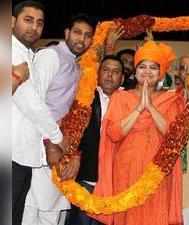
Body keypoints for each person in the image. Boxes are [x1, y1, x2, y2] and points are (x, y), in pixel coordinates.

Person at [92, 40, 184, 225]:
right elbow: (114, 134)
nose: (147, 71)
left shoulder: (171, 99)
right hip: (126, 170)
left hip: (157, 172)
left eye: (153, 67)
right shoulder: (121, 97)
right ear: (135, 70)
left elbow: (174, 135)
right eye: (142, 66)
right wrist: (138, 109)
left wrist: (150, 107)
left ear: (161, 73)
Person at [21, 14, 96, 225]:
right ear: (66, 33)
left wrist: (70, 150)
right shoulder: (51, 56)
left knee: (51, 211)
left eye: (88, 36)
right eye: (77, 33)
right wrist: (50, 142)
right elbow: (36, 101)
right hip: (42, 146)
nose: (82, 39)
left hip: (60, 147)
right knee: (34, 209)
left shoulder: (75, 64)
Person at [12, 1, 64, 225]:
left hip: (22, 153)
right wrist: (57, 137)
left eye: (39, 23)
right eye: (28, 20)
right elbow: (30, 102)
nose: (34, 27)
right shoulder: (12, 51)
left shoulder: (28, 55)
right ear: (12, 21)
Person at [64, 55, 124, 225]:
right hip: (88, 175)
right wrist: (75, 154)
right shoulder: (83, 97)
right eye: (105, 70)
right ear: (98, 74)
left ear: (123, 78)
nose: (110, 75)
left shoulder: (129, 101)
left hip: (116, 180)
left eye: (115, 72)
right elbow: (71, 130)